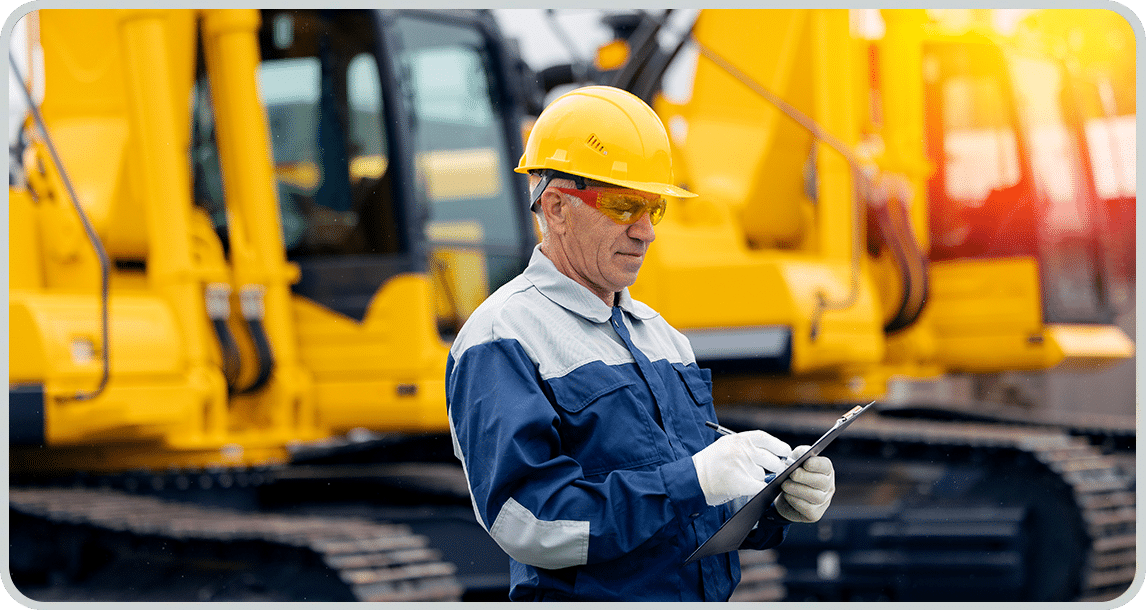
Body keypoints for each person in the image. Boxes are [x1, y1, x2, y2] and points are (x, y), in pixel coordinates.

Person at [445, 85, 836, 601]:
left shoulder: (661, 336)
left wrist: (772, 502)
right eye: (625, 205)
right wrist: (694, 480)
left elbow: (692, 515)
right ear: (557, 207)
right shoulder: (503, 337)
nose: (646, 232)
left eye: (655, 208)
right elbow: (529, 522)